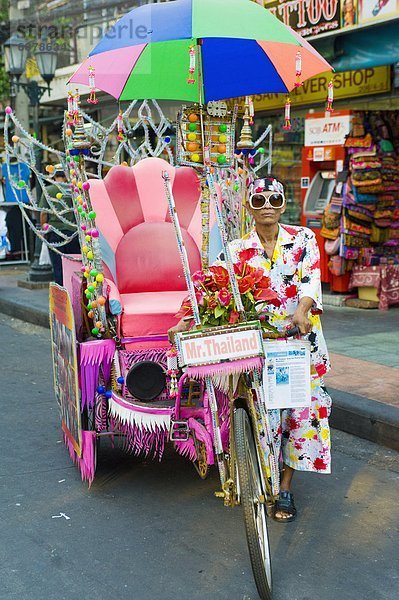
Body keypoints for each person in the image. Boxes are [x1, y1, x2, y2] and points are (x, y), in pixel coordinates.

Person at [168, 176, 332, 523]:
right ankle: (263, 476)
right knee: (265, 419)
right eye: (259, 201)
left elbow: (310, 281)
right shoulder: (236, 250)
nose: (267, 205)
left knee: (299, 417)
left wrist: (302, 311)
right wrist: (184, 320)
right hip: (258, 346)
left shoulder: (303, 239)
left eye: (274, 199)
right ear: (249, 207)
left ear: (283, 203)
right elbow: (210, 288)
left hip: (301, 344)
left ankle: (285, 488)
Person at [39, 165, 80, 286]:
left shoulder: (48, 190)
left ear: (54, 175)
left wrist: (44, 228)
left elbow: (43, 213)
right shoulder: (72, 189)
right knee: (73, 264)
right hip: (72, 232)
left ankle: (62, 293)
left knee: (58, 265)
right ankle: (74, 290)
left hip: (54, 232)